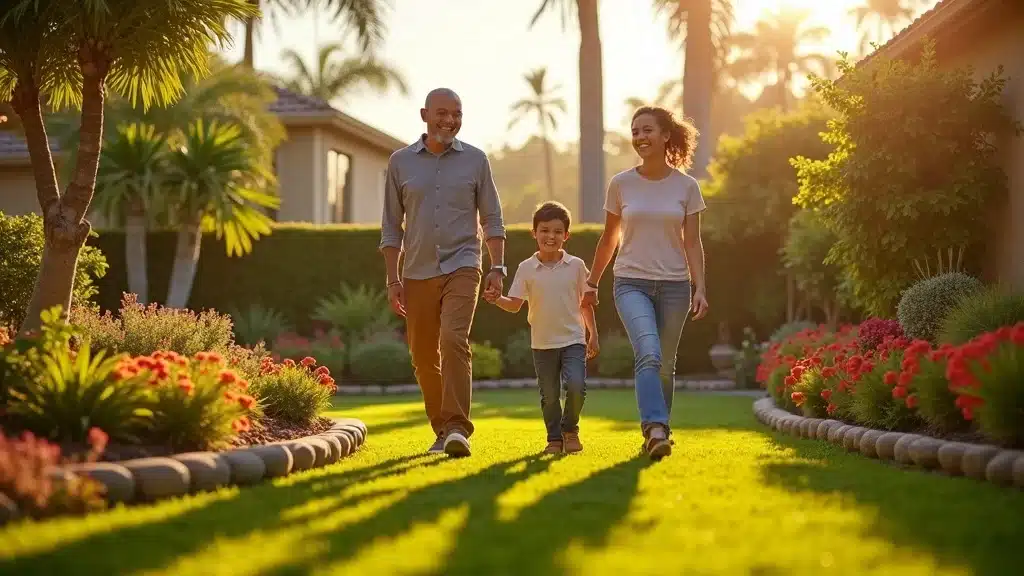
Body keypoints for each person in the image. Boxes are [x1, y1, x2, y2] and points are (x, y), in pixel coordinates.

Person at [379, 88, 507, 458]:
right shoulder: (399, 163)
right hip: (417, 270)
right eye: (442, 113)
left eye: (457, 113)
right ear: (424, 115)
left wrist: (497, 266)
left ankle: (456, 428)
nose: (449, 120)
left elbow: (492, 218)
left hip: (464, 264)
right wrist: (393, 279)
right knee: (421, 355)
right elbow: (391, 227)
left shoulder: (476, 161)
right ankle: (442, 429)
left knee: (453, 339)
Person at [582, 105, 709, 460]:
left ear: (666, 135)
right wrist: (592, 282)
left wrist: (700, 287)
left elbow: (692, 242)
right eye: (635, 131)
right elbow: (609, 238)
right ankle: (655, 427)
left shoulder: (687, 186)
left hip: (674, 286)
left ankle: (657, 431)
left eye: (647, 130)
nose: (640, 137)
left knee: (665, 364)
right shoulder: (621, 184)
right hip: (630, 282)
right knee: (649, 353)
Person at [484, 201, 599, 455]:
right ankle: (554, 440)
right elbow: (514, 305)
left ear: (566, 236)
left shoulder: (577, 266)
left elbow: (586, 304)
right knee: (548, 396)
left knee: (577, 386)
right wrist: (497, 299)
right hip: (542, 343)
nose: (551, 236)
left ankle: (570, 430)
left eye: (558, 231)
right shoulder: (527, 268)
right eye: (545, 230)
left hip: (574, 340)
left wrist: (593, 335)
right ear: (534, 233)